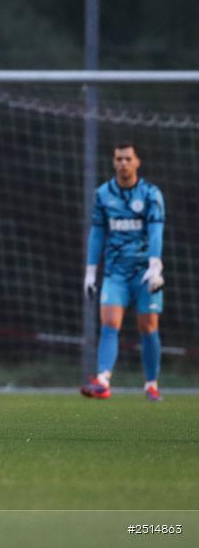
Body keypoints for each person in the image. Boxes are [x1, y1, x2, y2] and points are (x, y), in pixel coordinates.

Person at [82, 142, 165, 401]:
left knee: (148, 326)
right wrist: (90, 273)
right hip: (115, 273)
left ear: (137, 161)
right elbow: (97, 233)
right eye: (118, 159)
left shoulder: (151, 194)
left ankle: (151, 384)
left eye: (128, 158)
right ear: (113, 161)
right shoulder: (103, 194)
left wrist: (154, 266)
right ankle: (103, 380)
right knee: (109, 322)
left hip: (144, 273)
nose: (123, 163)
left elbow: (155, 232)